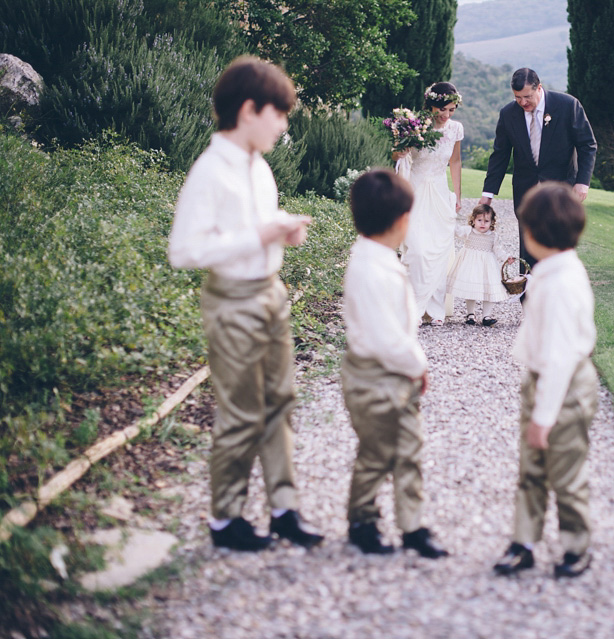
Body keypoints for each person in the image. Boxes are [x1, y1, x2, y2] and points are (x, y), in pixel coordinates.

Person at [168, 56, 322, 552]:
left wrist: (282, 232)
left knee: (280, 402)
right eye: (279, 113)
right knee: (241, 412)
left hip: (271, 291)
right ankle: (225, 518)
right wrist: (260, 233)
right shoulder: (209, 171)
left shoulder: (259, 167)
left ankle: (283, 510)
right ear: (250, 110)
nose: (283, 124)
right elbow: (184, 251)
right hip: (231, 301)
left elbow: (256, 225)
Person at [341, 169, 449, 559]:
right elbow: (386, 338)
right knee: (377, 451)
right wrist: (418, 364)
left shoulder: (379, 259)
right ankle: (362, 519)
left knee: (409, 449)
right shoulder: (370, 269)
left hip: (395, 373)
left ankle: (413, 524)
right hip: (374, 376)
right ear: (401, 221)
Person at [493, 182, 598, 579]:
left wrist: (543, 418)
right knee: (530, 468)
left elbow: (559, 358)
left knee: (565, 472)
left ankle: (576, 545)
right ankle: (524, 542)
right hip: (545, 379)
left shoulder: (559, 284)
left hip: (565, 387)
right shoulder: (554, 270)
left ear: (535, 235)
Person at [480, 68, 597, 272]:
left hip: (561, 190)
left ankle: (558, 295)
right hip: (526, 191)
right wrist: (488, 194)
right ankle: (528, 296)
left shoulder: (568, 105)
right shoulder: (508, 114)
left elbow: (587, 145)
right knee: (528, 248)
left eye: (527, 97)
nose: (523, 103)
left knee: (557, 247)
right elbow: (500, 154)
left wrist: (582, 182)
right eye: (518, 98)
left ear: (539, 88)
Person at [395, 81, 464, 325]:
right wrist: (400, 150)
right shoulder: (415, 127)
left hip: (439, 191)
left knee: (439, 250)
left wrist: (456, 194)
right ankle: (412, 306)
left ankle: (433, 310)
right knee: (418, 249)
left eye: (451, 110)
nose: (446, 115)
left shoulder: (455, 129)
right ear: (431, 105)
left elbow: (455, 162)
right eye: (442, 109)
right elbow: (395, 154)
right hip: (414, 191)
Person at [446, 203, 516, 327]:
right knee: (471, 288)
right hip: (470, 265)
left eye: (486, 221)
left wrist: (506, 257)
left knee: (489, 288)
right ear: (473, 220)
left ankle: (486, 315)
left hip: (487, 267)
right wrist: (452, 215)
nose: (482, 224)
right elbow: (456, 230)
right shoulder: (468, 231)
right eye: (479, 220)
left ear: (492, 222)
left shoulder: (493, 236)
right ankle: (470, 314)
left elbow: (498, 250)